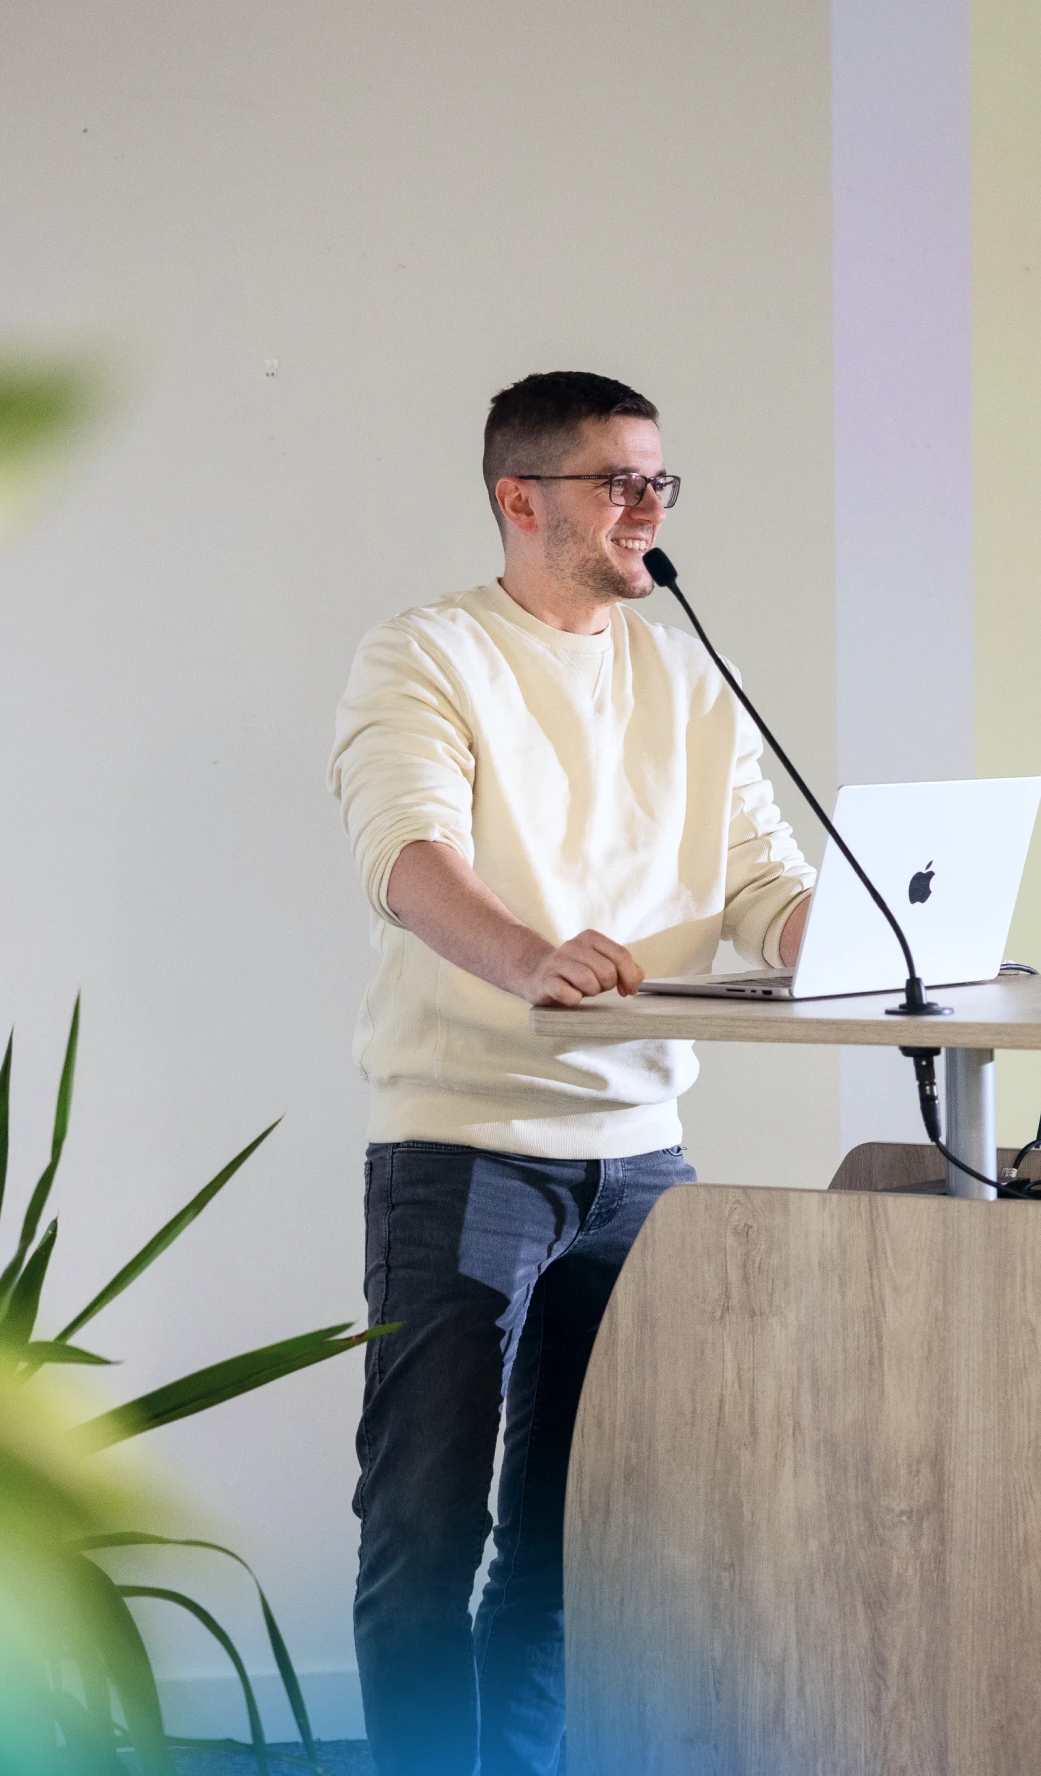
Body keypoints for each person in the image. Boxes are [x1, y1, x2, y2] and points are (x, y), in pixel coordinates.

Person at [327, 371, 815, 1776]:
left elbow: (762, 880)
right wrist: (529, 957)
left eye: (661, 482)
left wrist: (841, 941)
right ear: (519, 499)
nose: (650, 511)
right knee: (425, 1532)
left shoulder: (685, 671)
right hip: (465, 1144)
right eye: (621, 483)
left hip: (642, 1162)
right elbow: (405, 859)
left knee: (566, 1541)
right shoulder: (424, 656)